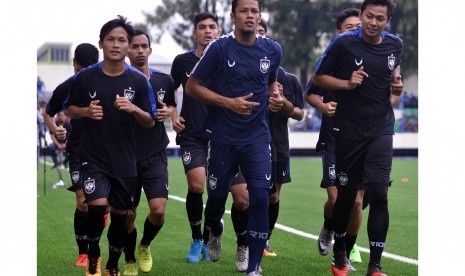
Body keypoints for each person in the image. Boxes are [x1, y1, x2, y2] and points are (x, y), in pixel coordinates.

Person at [185, 0, 285, 275]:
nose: (250, 15)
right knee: (215, 200)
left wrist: (275, 96)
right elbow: (192, 86)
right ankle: (215, 229)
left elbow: (271, 81)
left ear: (260, 15)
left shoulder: (273, 49)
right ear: (233, 16)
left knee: (260, 198)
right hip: (223, 138)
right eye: (244, 10)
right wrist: (228, 103)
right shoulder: (220, 47)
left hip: (257, 137)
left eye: (254, 11)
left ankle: (254, 266)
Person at [310, 0, 403, 275]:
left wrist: (397, 85)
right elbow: (318, 78)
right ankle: (340, 253)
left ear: (387, 21)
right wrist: (347, 84)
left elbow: (395, 79)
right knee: (347, 198)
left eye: (380, 19)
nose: (374, 23)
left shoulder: (395, 45)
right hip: (348, 131)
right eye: (369, 17)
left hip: (381, 128)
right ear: (362, 15)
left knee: (379, 193)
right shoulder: (343, 44)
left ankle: (375, 265)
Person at [64, 15, 157, 276]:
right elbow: (69, 107)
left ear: (128, 46)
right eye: (110, 39)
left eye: (121, 40)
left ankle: (113, 264)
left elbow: (150, 121)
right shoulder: (85, 78)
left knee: (121, 214)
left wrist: (134, 108)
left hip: (126, 159)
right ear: (101, 44)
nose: (116, 44)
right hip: (93, 157)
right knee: (95, 207)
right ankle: (93, 253)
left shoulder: (139, 81)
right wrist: (85, 112)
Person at [305, 8, 364, 270]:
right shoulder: (328, 61)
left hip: (364, 139)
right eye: (349, 27)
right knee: (337, 200)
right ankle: (329, 226)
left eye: (357, 26)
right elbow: (310, 93)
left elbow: (391, 94)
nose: (355, 30)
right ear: (338, 32)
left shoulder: (373, 58)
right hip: (334, 139)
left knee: (357, 203)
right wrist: (322, 106)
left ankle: (344, 254)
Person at [43, 42, 101, 266]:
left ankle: (101, 215)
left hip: (106, 149)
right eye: (80, 70)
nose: (84, 74)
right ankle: (83, 252)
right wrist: (55, 129)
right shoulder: (66, 87)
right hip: (77, 148)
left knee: (103, 204)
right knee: (83, 203)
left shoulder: (107, 82)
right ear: (74, 64)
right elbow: (48, 113)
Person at [123, 29, 176, 275]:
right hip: (125, 157)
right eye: (135, 46)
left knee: (158, 210)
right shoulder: (118, 81)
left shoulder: (164, 80)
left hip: (155, 153)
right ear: (127, 50)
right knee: (127, 215)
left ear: (150, 50)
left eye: (144, 46)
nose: (140, 50)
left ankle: (145, 245)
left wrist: (168, 113)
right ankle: (130, 258)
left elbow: (171, 107)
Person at [170, 12, 219, 264]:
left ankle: (212, 232)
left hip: (222, 135)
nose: (207, 31)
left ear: (219, 32)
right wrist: (172, 114)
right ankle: (197, 238)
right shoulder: (182, 61)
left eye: (212, 27)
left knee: (217, 190)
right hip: (191, 134)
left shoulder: (226, 59)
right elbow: (170, 92)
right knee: (196, 186)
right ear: (194, 33)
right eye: (202, 27)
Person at [254, 20, 305, 258]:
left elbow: (298, 113)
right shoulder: (238, 73)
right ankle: (245, 240)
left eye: (262, 33)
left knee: (273, 195)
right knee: (248, 196)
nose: (258, 37)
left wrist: (282, 102)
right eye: (255, 33)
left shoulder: (288, 78)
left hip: (278, 144)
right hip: (247, 143)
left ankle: (263, 241)